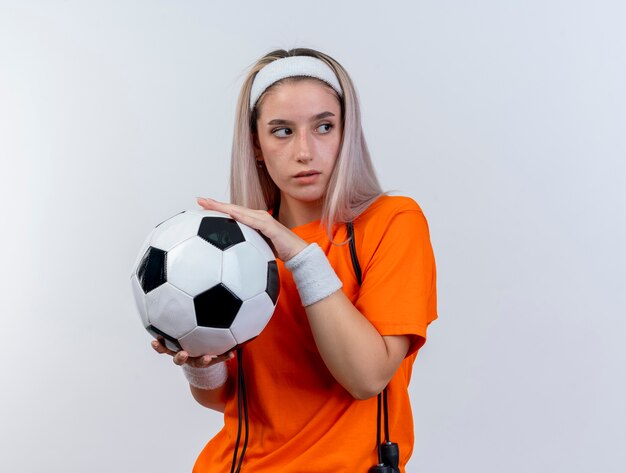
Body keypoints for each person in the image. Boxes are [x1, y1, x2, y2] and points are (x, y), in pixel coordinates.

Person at [152, 48, 437, 472]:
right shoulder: (238, 245)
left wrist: (300, 256)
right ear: (258, 145)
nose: (305, 151)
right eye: (282, 131)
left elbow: (367, 377)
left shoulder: (392, 222)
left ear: (346, 134)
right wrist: (202, 365)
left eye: (324, 126)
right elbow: (224, 399)